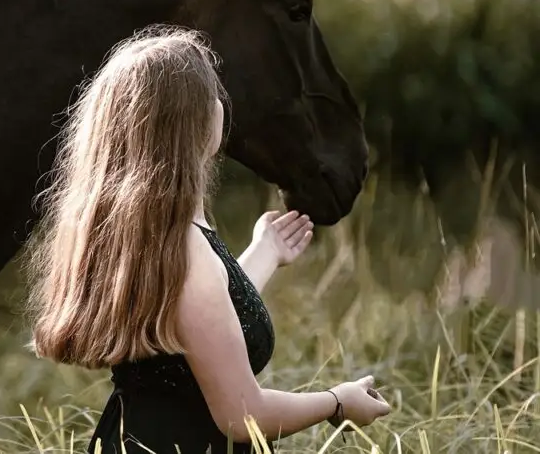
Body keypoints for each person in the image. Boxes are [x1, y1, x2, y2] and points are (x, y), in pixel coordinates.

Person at [24, 26, 391, 453]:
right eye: (211, 96)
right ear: (195, 124)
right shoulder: (184, 250)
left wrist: (265, 252)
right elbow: (243, 415)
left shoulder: (144, 232)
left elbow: (199, 323)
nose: (220, 104)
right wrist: (336, 403)